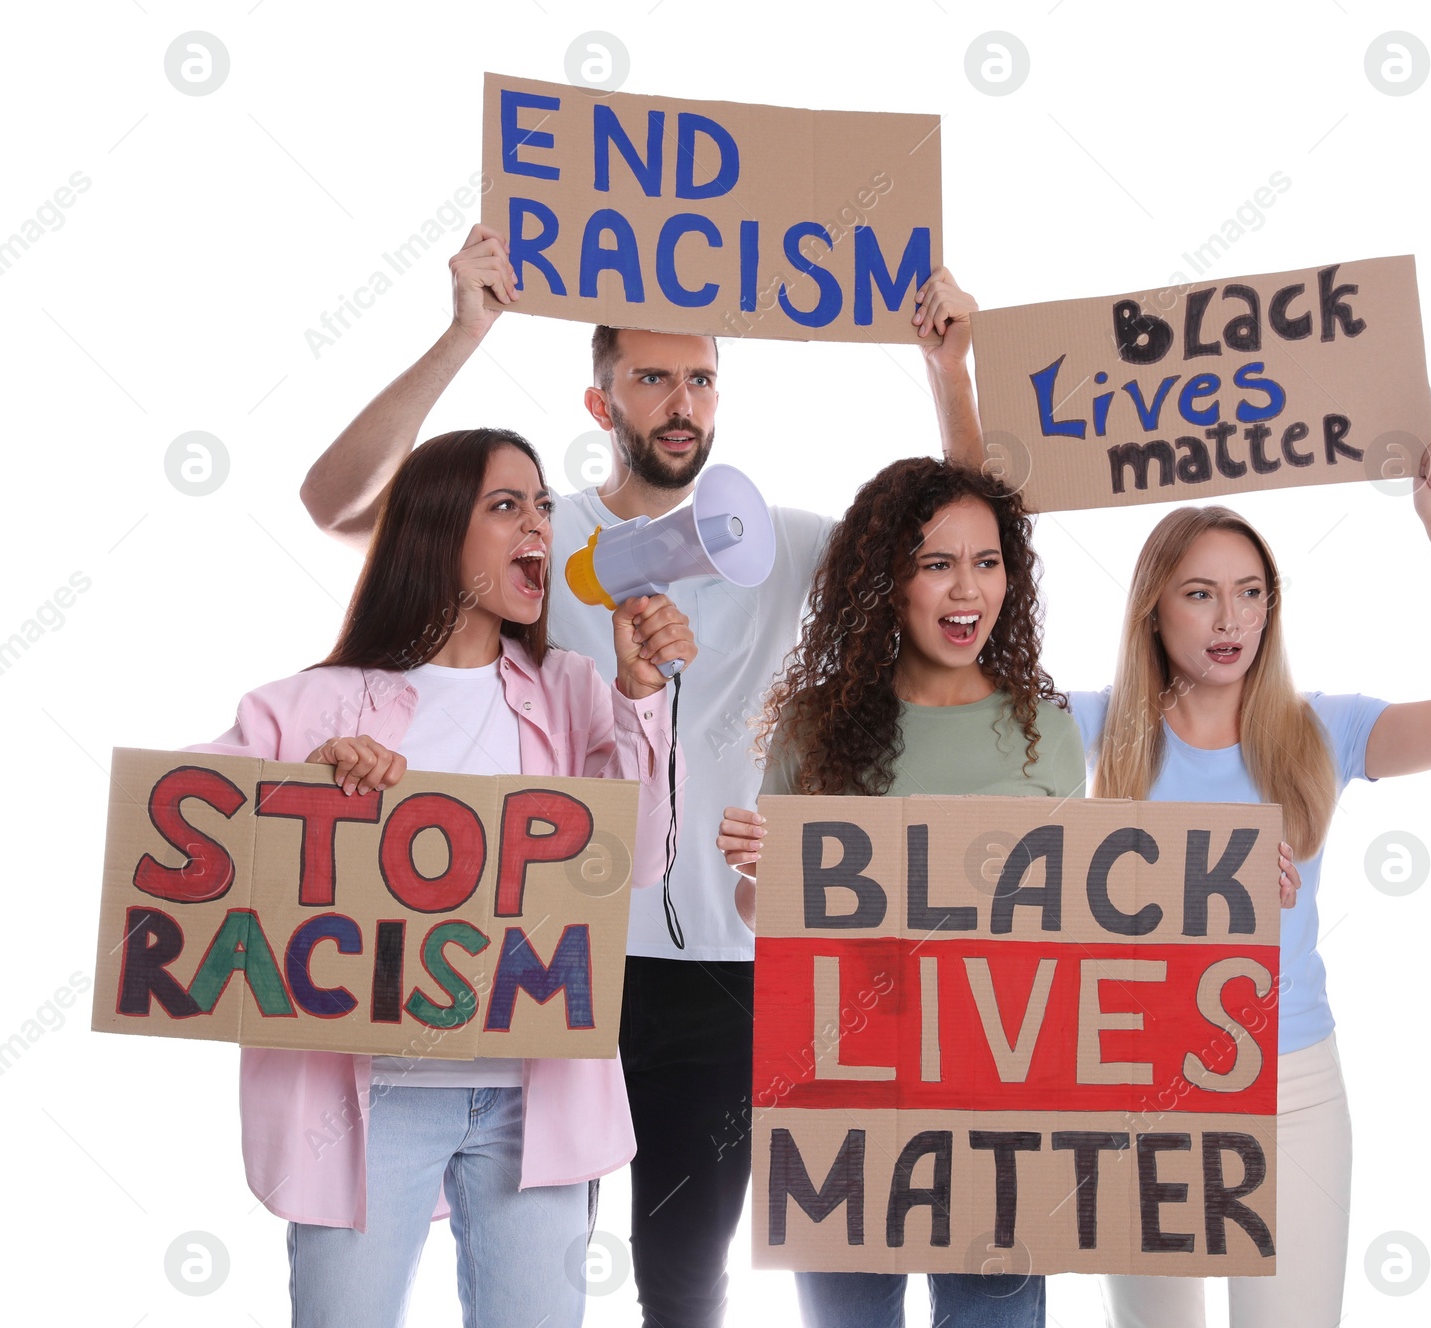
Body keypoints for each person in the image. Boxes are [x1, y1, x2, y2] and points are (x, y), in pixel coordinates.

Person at [299, 224, 985, 1327]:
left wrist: (948, 373)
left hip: (719, 969)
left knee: (681, 1272)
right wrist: (464, 330)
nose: (681, 400)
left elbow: (970, 545)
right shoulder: (533, 539)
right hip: (551, 948)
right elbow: (335, 503)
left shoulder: (788, 544)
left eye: (702, 378)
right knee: (530, 1256)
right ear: (599, 400)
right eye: (652, 376)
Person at [190, 427, 696, 1328]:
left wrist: (643, 695)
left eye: (542, 504)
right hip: (367, 1102)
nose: (537, 521)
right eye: (506, 505)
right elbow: (179, 823)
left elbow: (641, 856)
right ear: (431, 529)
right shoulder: (312, 705)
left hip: (531, 1095)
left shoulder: (578, 688)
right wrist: (308, 783)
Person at [1069, 438, 1431, 1327]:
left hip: (1291, 1085)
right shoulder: (1096, 727)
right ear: (1153, 613)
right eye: (1200, 594)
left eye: (1249, 592)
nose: (1229, 617)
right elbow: (956, 743)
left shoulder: (1323, 731)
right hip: (1137, 1079)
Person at [717, 456, 1077, 1327]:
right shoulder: (813, 727)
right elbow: (771, 926)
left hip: (999, 1107)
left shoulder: (1045, 730)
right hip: (847, 1099)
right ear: (888, 581)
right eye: (938, 562)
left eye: (987, 562)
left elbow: (1078, 927)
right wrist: (765, 877)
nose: (969, 590)